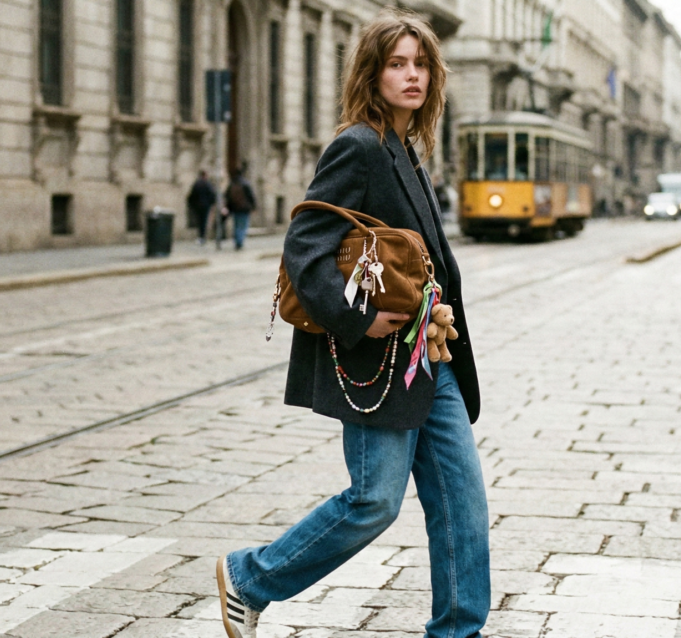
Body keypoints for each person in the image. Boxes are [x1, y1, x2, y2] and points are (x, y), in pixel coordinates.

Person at [215, 10, 489, 638]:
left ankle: (458, 630)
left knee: (462, 507)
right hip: (381, 362)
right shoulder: (359, 145)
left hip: (431, 360)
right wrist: (356, 319)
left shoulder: (405, 149)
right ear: (373, 72)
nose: (412, 75)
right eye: (397, 64)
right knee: (373, 501)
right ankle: (250, 578)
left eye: (420, 64)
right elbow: (305, 244)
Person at [223, 164, 257, 250]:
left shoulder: (232, 184)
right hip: (244, 209)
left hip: (235, 208)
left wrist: (227, 207)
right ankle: (239, 242)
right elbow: (251, 196)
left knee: (236, 225)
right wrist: (253, 207)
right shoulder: (245, 183)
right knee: (243, 226)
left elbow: (227, 196)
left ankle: (237, 241)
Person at [186, 170, 217, 245]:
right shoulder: (207, 184)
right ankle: (202, 236)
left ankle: (201, 236)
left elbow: (192, 195)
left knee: (200, 221)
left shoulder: (197, 184)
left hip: (198, 206)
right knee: (203, 221)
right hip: (205, 206)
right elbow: (212, 195)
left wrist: (193, 204)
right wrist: (211, 203)